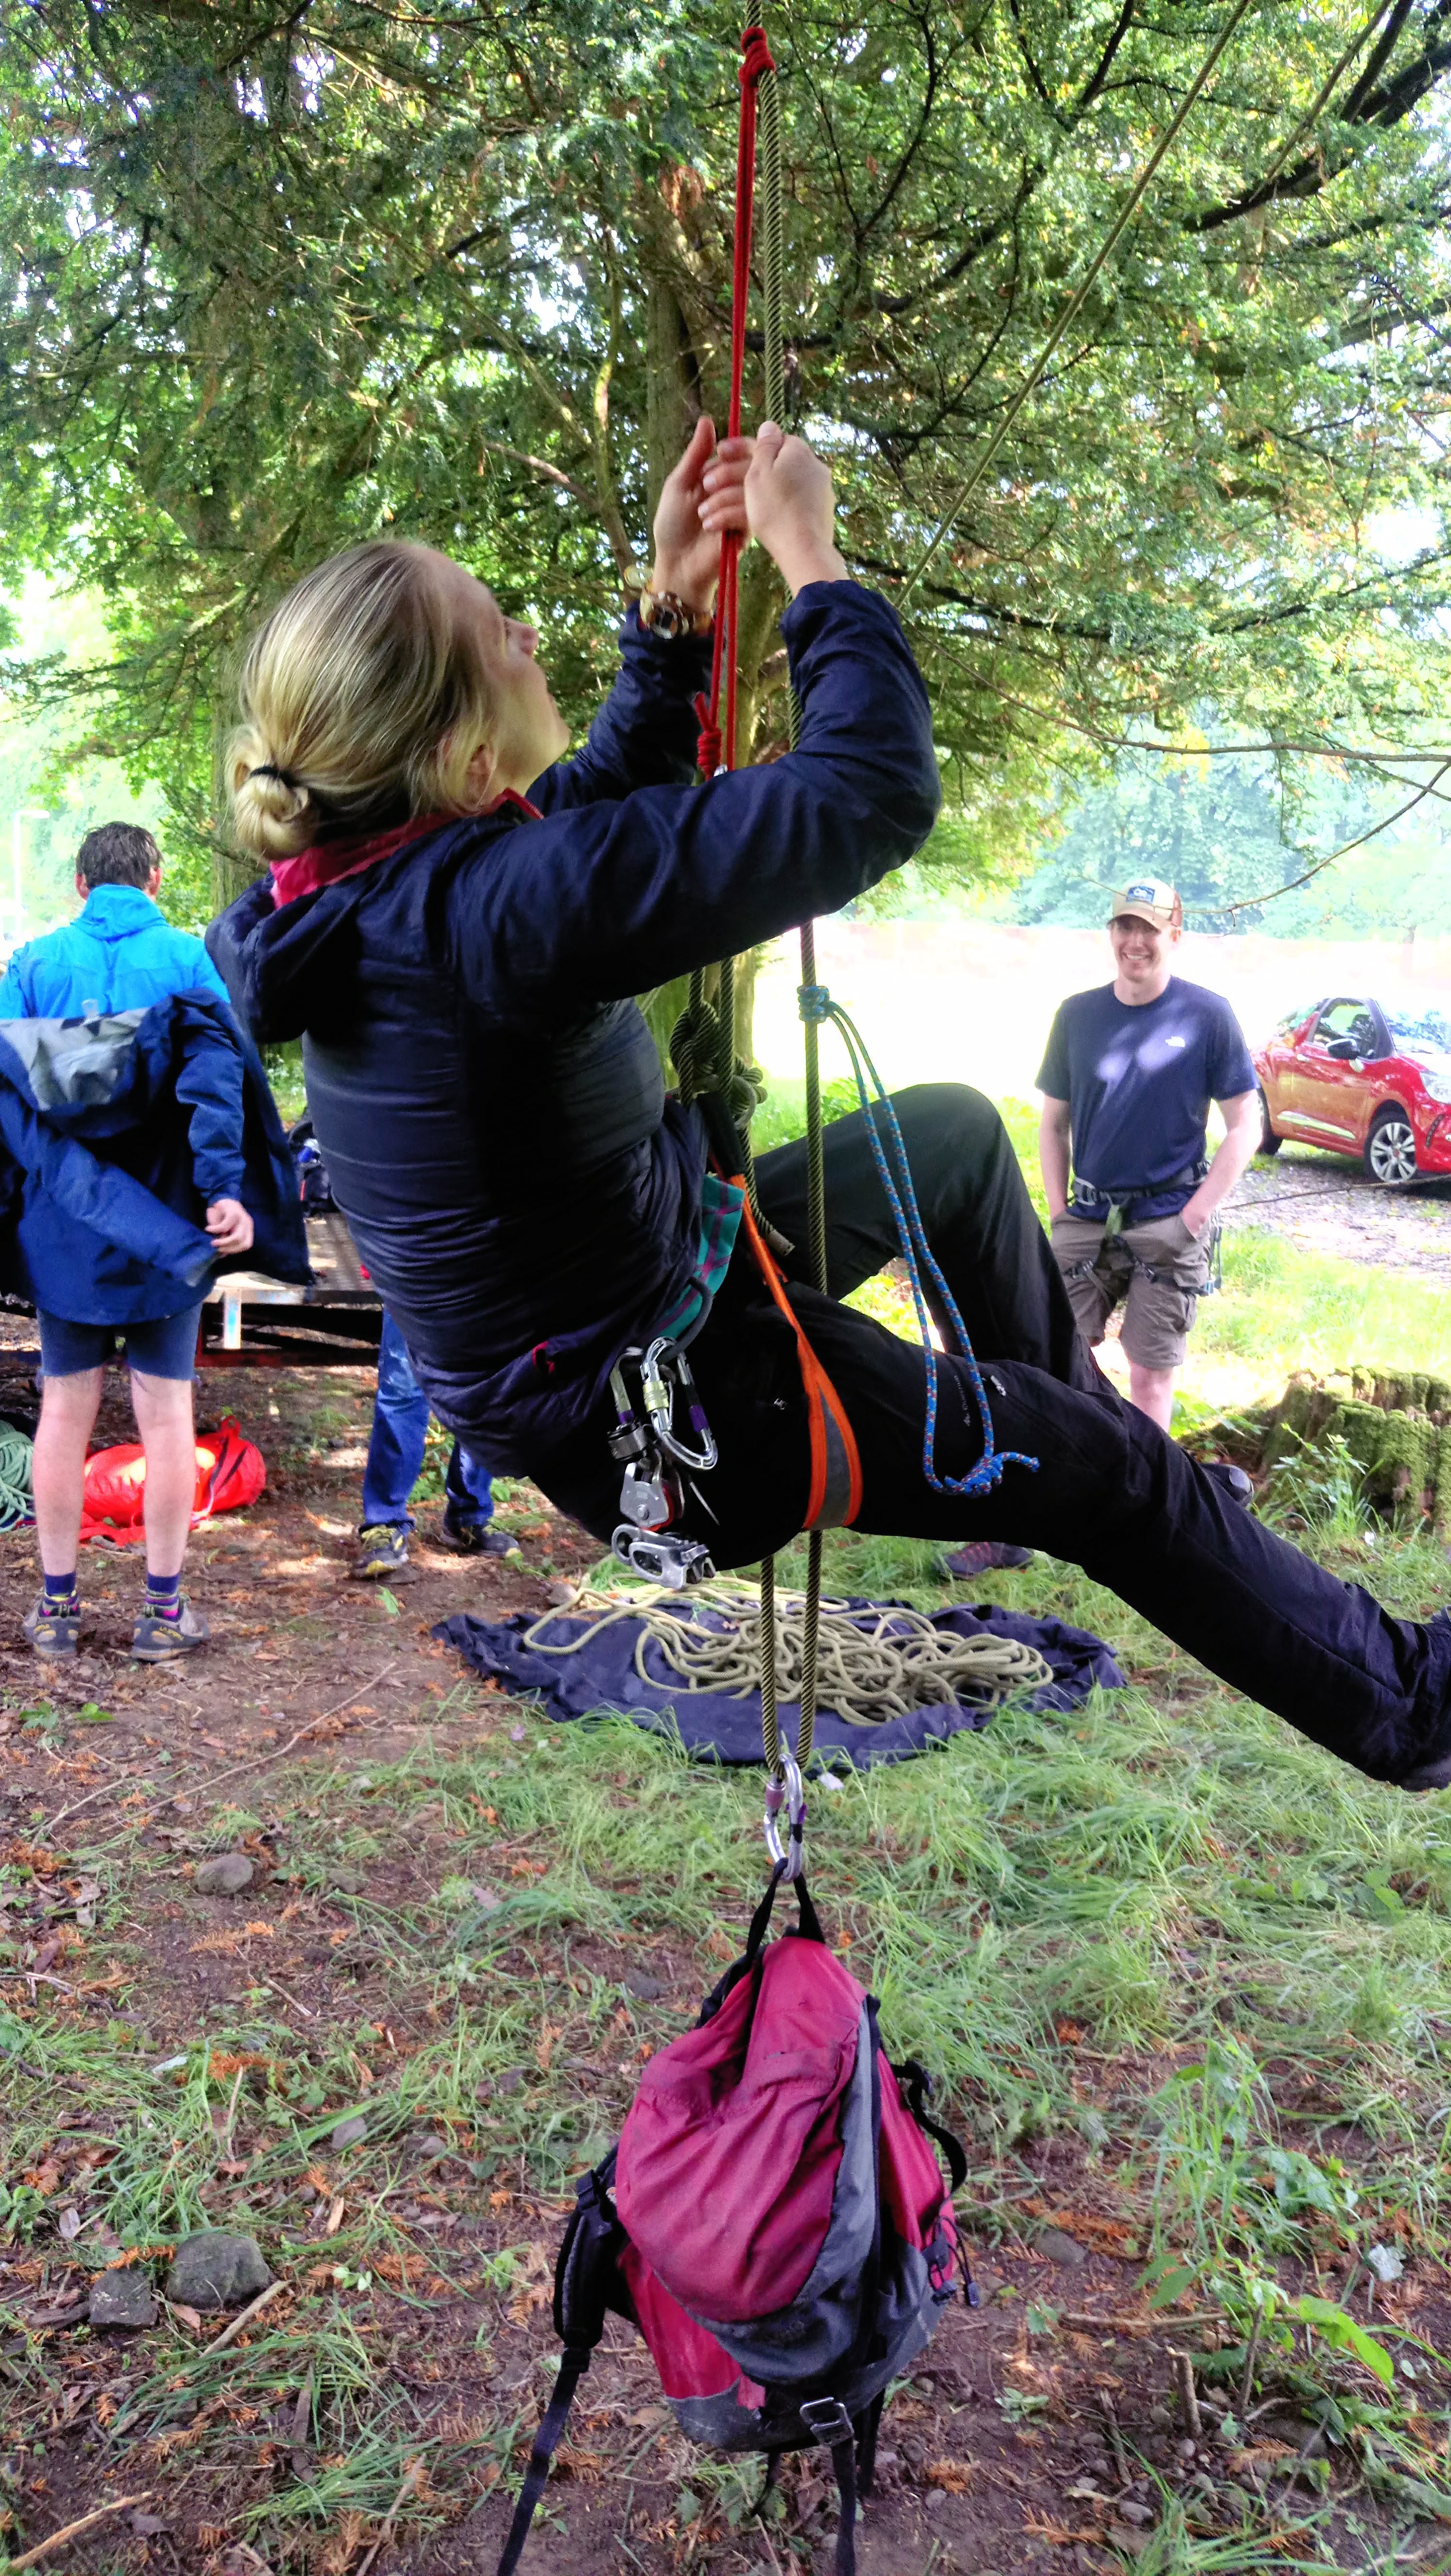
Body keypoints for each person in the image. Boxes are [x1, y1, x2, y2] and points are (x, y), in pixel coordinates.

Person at [208, 423, 1451, 1796]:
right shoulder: (483, 913)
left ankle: (1056, 1444)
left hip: (659, 1311)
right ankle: (1410, 1704)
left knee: (959, 1145)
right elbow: (863, 795)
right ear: (451, 751)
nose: (521, 629)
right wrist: (814, 560)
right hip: (682, 1422)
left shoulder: (369, 892)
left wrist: (671, 614)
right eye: (494, 629)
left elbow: (594, 804)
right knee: (1121, 1477)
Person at [0, 821, 255, 1662]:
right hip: (168, 1230)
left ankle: (59, 1612)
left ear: (81, 883)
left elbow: (9, 1099)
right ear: (153, 881)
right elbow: (216, 1084)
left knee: (63, 1410)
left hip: (66, 1228)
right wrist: (224, 1190)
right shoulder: (185, 962)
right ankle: (162, 1612)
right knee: (166, 1413)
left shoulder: (33, 966)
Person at [1038, 882, 1262, 1433]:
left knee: (1151, 1377)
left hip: (1169, 1223)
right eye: (1124, 926)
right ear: (1111, 933)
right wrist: (1058, 1211)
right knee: (1053, 1361)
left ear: (1175, 936)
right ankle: (1071, 1480)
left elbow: (1245, 1125)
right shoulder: (1076, 1015)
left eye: (1149, 929)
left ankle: (1146, 1500)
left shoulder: (1207, 1015)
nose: (1134, 941)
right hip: (1085, 1219)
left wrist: (1195, 1215)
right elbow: (1052, 1123)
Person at [355, 1310, 511, 1578]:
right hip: (413, 1272)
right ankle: (385, 1523)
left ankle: (469, 1517)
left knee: (483, 1383)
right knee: (402, 1388)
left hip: (487, 1274)